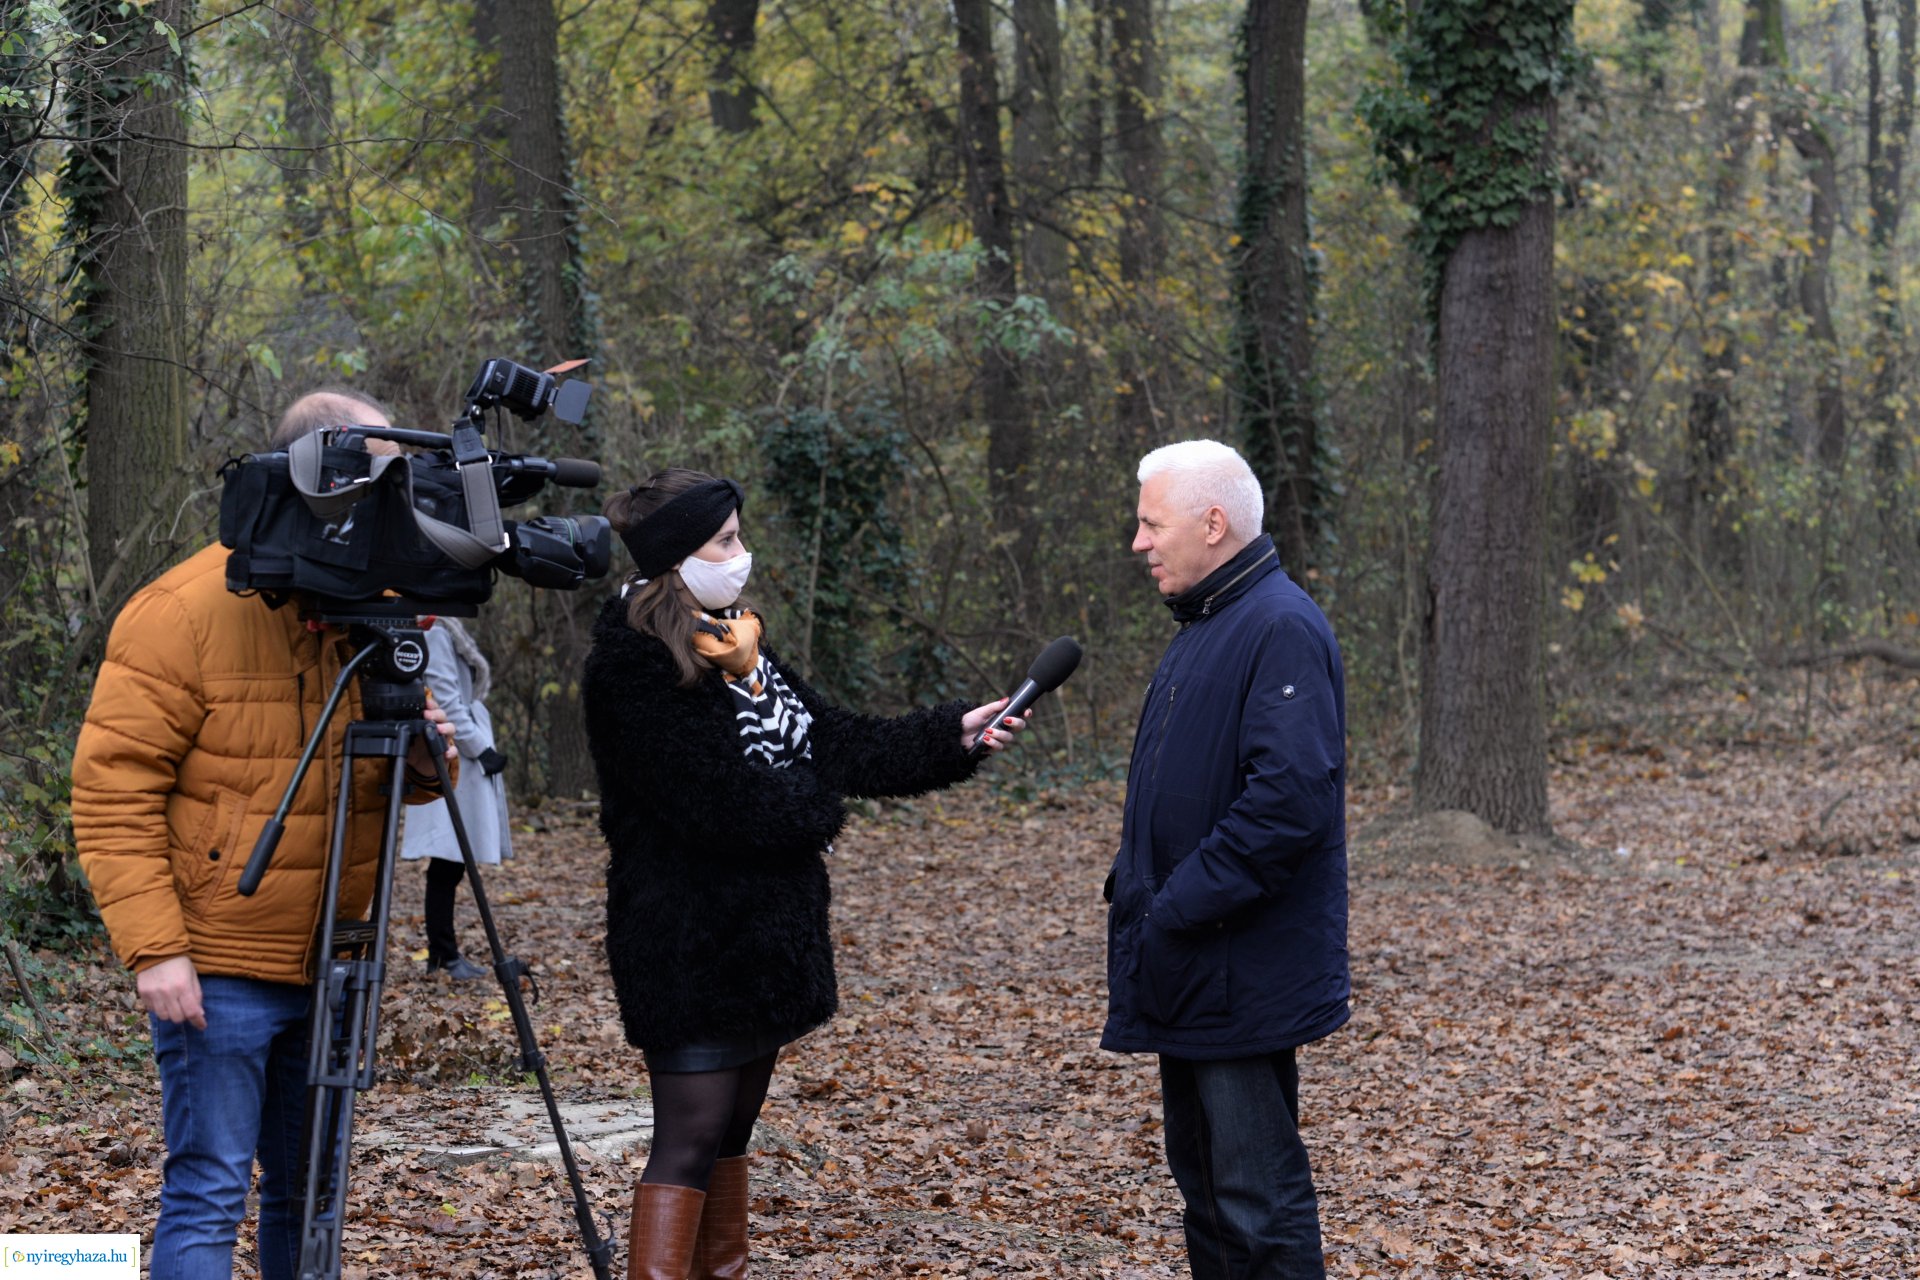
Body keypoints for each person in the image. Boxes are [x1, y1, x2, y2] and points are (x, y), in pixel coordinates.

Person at [581, 467, 1025, 1279]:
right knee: (687, 1139)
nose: (741, 553)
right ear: (677, 555)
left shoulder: (737, 642)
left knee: (730, 1138)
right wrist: (818, 806)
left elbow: (835, 740)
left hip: (764, 946)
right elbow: (715, 801)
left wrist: (950, 738)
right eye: (725, 541)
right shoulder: (631, 663)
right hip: (688, 946)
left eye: (738, 536)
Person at [71, 388, 459, 1280]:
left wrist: (425, 750)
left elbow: (408, 780)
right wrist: (157, 950)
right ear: (320, 475)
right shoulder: (179, 610)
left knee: (310, 1192)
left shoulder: (372, 607)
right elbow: (111, 789)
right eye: (382, 480)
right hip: (218, 965)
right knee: (209, 1190)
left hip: (335, 957)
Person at [1102, 439, 1349, 1279]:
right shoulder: (1208, 623)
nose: (1139, 542)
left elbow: (1289, 803)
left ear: (1213, 524)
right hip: (1191, 963)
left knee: (1257, 1202)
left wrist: (1177, 905)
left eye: (1152, 524)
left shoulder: (1278, 626)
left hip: (1239, 967)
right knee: (1208, 1192)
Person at [400, 614, 513, 981]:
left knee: (452, 861)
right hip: (454, 754)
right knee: (448, 861)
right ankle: (443, 955)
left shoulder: (444, 628)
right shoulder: (435, 631)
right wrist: (480, 749)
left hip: (457, 751)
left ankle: (444, 953)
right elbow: (445, 698)